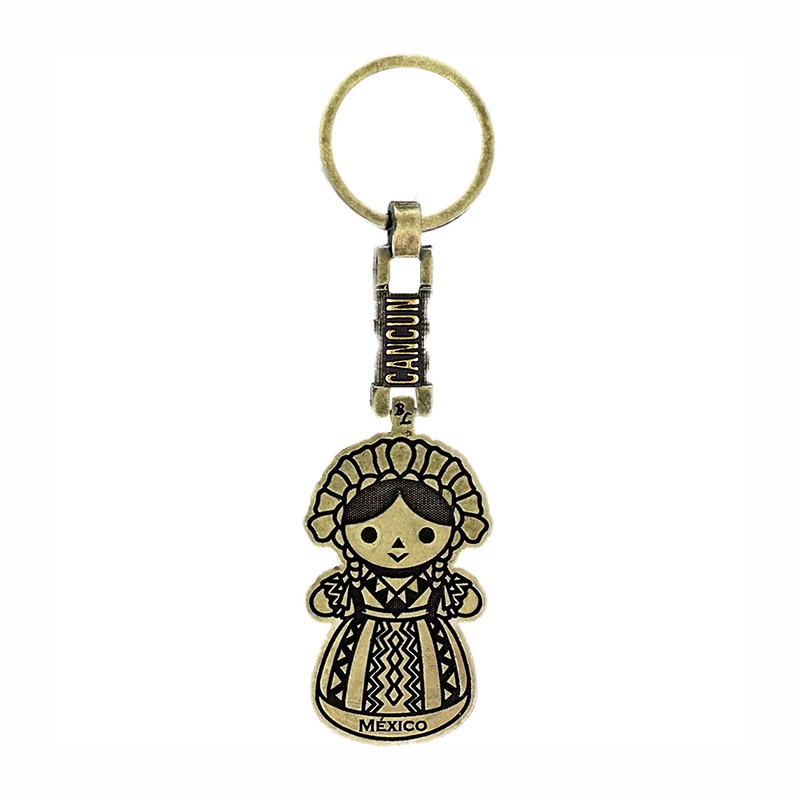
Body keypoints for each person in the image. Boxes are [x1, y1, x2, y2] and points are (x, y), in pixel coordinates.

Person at [306, 436, 490, 741]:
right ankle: (355, 707)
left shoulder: (436, 579)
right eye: (370, 534)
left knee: (434, 688)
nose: (399, 546)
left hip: (430, 657)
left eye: (426, 535)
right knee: (353, 687)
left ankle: (430, 708)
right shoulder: (356, 578)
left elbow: (469, 604)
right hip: (360, 652)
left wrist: (457, 593)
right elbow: (321, 604)